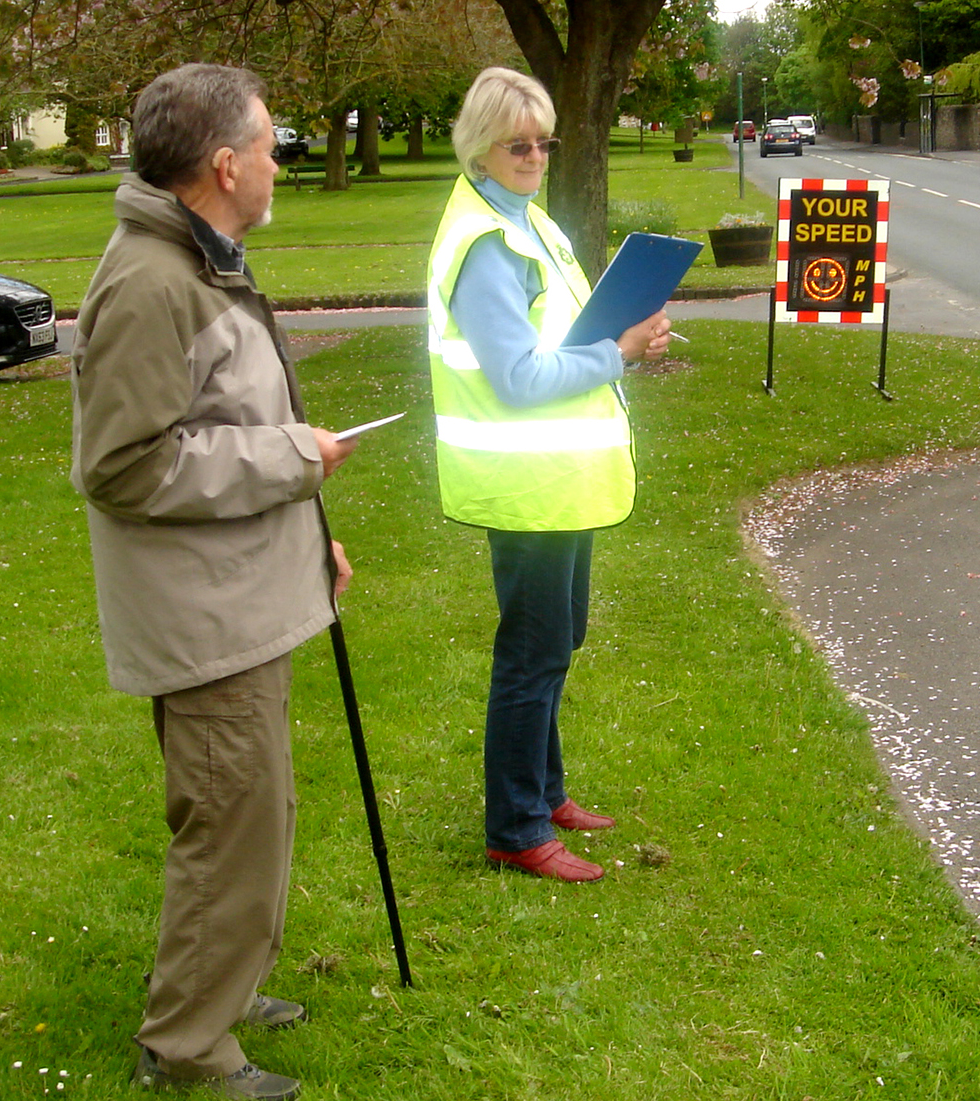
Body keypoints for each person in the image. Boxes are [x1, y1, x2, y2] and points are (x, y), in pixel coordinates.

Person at [69, 63, 357, 1101]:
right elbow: (124, 465)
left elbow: (220, 428)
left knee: (255, 812)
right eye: (273, 145)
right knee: (229, 824)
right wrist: (293, 463)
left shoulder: (199, 260)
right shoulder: (155, 281)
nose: (283, 162)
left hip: (240, 594)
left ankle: (222, 987)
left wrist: (305, 536)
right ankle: (188, 1045)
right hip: (203, 620)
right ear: (224, 164)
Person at [427, 67, 671, 884]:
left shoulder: (526, 221)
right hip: (525, 486)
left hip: (557, 479)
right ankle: (517, 827)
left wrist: (621, 339)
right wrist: (619, 352)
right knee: (530, 654)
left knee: (557, 638)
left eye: (543, 142)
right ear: (480, 149)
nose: (534, 155)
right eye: (517, 143)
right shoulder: (488, 244)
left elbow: (562, 337)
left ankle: (546, 790)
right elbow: (519, 378)